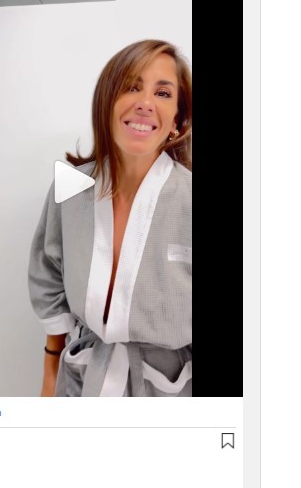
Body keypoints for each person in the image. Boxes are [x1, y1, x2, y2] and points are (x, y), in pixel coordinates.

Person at [28, 39, 192, 397]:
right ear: (107, 103)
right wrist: (49, 373)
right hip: (84, 378)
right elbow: (49, 276)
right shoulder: (71, 186)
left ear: (177, 121)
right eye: (131, 87)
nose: (145, 102)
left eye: (163, 93)